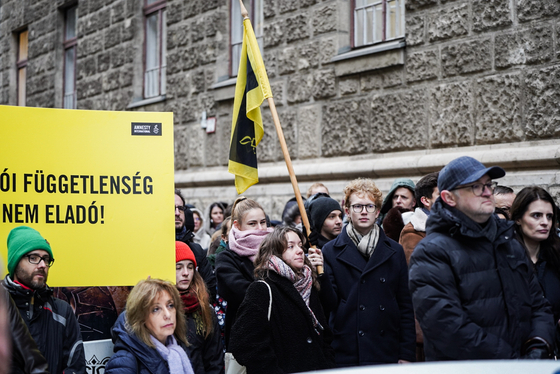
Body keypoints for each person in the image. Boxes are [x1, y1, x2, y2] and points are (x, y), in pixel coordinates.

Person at [409, 156, 555, 360]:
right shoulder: (431, 252)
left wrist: (537, 346)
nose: (487, 192)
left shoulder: (509, 243)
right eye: (476, 186)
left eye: (488, 185)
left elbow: (538, 305)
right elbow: (447, 327)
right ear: (449, 197)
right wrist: (513, 361)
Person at [321, 178, 416, 367]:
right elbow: (328, 304)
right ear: (347, 211)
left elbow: (405, 306)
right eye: (357, 207)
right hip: (347, 348)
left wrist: (406, 353)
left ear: (378, 211)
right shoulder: (330, 251)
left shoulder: (394, 251)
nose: (364, 212)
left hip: (385, 348)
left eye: (370, 207)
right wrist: (318, 275)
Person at [229, 226, 334, 373]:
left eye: (300, 245)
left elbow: (325, 336)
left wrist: (326, 365)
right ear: (275, 253)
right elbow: (244, 344)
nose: (299, 251)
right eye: (290, 246)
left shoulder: (308, 284)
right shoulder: (262, 289)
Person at [2, 226, 85, 374]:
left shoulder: (62, 311)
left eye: (46, 259)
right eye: (33, 258)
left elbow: (76, 368)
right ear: (15, 263)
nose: (42, 265)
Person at [215, 197, 272, 348]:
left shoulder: (278, 250)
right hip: (247, 339)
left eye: (263, 222)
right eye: (252, 223)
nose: (260, 228)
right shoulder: (226, 258)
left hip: (280, 334)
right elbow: (243, 293)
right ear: (237, 225)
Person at [105, 278, 194, 374]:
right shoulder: (125, 363)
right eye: (156, 309)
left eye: (170, 305)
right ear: (141, 317)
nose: (168, 315)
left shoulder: (178, 352)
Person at [511, 187, 560, 336]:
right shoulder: (506, 257)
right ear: (518, 219)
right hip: (522, 349)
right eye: (536, 215)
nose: (545, 222)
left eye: (549, 216)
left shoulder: (556, 255)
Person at [175, 241, 224, 374]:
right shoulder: (156, 309)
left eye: (190, 267)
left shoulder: (204, 308)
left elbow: (214, 360)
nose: (186, 273)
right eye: (178, 267)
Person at [175, 190, 217, 299]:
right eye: (171, 208)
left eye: (180, 208)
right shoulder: (152, 250)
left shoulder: (196, 250)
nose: (177, 213)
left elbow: (211, 287)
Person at [399, 172, 439, 263]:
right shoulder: (412, 232)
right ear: (425, 200)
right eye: (440, 195)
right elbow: (419, 269)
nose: (448, 198)